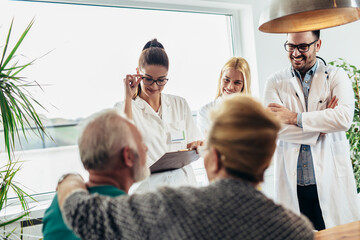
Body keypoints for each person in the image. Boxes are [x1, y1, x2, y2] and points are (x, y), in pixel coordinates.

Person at [57, 95, 314, 240]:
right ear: (266, 160)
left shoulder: (172, 206)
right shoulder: (296, 230)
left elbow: (83, 214)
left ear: (213, 157)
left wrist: (70, 179)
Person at [264, 30, 360, 230]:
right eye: (291, 46)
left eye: (303, 47)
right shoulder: (274, 81)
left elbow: (343, 118)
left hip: (329, 180)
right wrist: (320, 128)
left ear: (318, 45)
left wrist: (293, 118)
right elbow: (272, 127)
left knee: (337, 234)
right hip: (294, 185)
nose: (295, 53)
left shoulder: (335, 76)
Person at [42, 109, 149, 239]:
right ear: (128, 156)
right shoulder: (130, 215)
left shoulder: (57, 204)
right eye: (141, 143)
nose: (146, 148)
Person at [115, 39, 202, 193]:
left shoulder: (179, 104)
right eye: (148, 79)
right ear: (138, 72)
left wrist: (197, 146)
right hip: (148, 192)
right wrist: (128, 98)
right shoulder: (124, 108)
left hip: (184, 188)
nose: (154, 86)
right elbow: (123, 142)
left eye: (161, 80)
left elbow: (191, 144)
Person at [197, 57, 251, 137]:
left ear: (244, 85)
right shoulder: (205, 111)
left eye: (237, 83)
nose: (230, 87)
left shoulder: (252, 113)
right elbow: (208, 144)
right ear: (220, 79)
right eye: (226, 80)